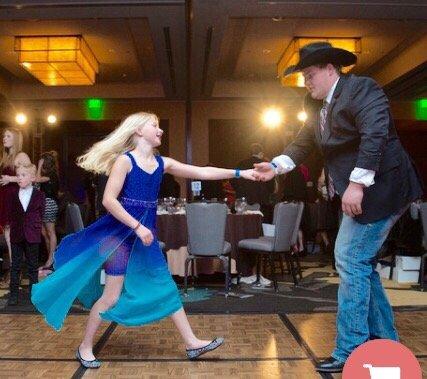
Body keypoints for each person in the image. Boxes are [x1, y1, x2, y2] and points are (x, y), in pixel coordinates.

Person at [31, 112, 257, 368]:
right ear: (139, 131)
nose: (160, 130)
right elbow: (108, 201)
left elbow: (202, 171)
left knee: (166, 285)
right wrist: (137, 226)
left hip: (143, 239)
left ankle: (192, 342)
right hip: (119, 239)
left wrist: (241, 172)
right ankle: (85, 347)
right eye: (155, 125)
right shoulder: (125, 162)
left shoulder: (162, 163)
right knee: (111, 297)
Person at [253, 42, 423, 373]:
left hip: (385, 189)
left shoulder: (361, 88)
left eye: (310, 74)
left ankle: (351, 349)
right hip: (362, 194)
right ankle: (386, 342)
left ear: (331, 69)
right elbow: (302, 143)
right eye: (303, 75)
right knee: (360, 264)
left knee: (349, 258)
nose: (306, 81)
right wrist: (275, 165)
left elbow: (376, 135)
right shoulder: (315, 104)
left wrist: (357, 185)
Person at [7, 164, 45, 305]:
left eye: (23, 175)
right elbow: (10, 213)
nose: (19, 178)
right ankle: (13, 295)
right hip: (17, 234)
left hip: (32, 234)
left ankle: (34, 295)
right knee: (15, 265)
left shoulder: (39, 195)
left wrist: (34, 227)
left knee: (32, 266)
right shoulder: (12, 194)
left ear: (32, 178)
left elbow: (40, 213)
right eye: (18, 175)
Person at [0, 128, 31, 286]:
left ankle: (15, 274)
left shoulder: (20, 156)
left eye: (8, 136)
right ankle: (14, 273)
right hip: (6, 199)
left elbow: (31, 176)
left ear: (16, 139)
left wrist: (10, 178)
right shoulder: (7, 157)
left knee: (13, 238)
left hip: (14, 200)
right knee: (9, 236)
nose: (4, 138)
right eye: (4, 135)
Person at [36, 152, 60, 270]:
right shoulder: (51, 174)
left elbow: (37, 179)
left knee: (50, 232)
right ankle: (50, 258)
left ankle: (51, 259)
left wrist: (39, 166)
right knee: (44, 233)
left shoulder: (51, 174)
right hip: (43, 204)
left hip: (49, 204)